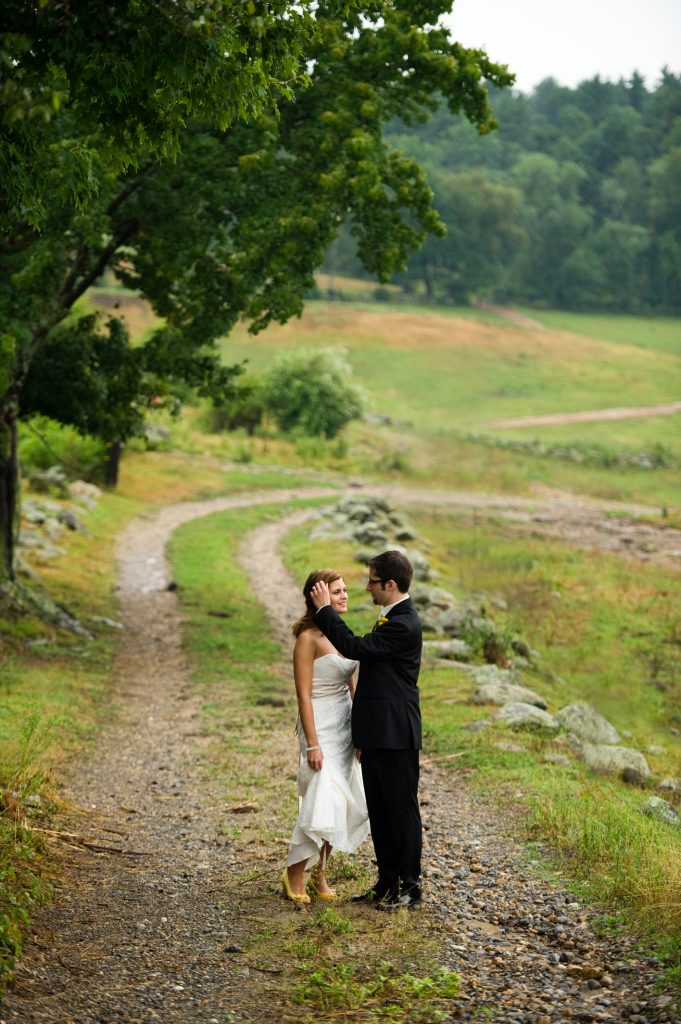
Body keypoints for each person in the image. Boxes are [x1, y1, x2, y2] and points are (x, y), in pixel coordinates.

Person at [310, 550, 423, 912]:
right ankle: (387, 882)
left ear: (390, 585)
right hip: (377, 733)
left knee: (401, 811)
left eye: (372, 581)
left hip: (397, 733)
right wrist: (362, 735)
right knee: (380, 810)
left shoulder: (404, 624)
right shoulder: (389, 618)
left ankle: (410, 886)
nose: (366, 587)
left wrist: (324, 610)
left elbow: (355, 648)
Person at [283, 568, 370, 905]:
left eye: (345, 590)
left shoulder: (341, 633)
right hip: (319, 722)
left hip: (345, 725)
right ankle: (294, 872)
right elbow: (303, 695)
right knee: (323, 797)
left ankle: (321, 873)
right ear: (317, 595)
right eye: (337, 591)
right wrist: (313, 743)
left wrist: (361, 733)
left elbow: (353, 687)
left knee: (342, 799)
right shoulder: (308, 638)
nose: (345, 595)